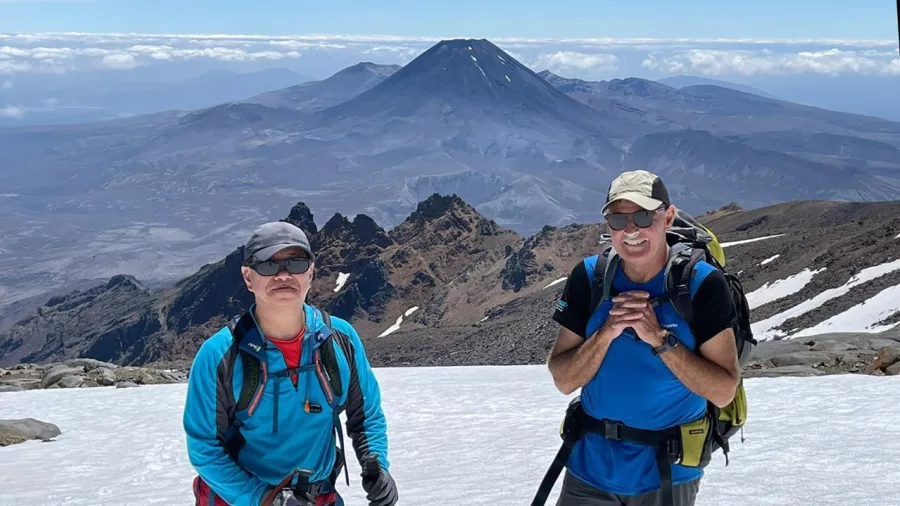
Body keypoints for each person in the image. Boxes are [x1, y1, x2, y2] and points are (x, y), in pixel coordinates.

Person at [545, 170, 742, 506]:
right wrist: (606, 332)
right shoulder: (590, 278)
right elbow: (564, 380)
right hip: (588, 469)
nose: (631, 230)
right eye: (618, 219)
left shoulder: (701, 285)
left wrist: (660, 339)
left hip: (666, 473)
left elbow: (723, 391)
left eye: (642, 216)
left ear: (667, 217)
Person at [183, 221, 398, 506]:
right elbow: (204, 447)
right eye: (268, 265)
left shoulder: (341, 340)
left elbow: (366, 414)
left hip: (317, 496)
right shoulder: (220, 354)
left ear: (310, 272)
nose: (283, 275)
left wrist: (377, 465)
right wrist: (264, 499)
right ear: (248, 277)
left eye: (295, 263)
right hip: (240, 499)